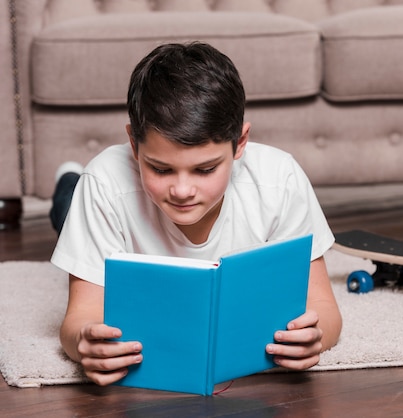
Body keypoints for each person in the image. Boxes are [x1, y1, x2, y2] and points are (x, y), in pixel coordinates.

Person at [50, 42, 342, 386]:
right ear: (133, 145)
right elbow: (78, 319)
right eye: (160, 169)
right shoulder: (103, 182)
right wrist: (84, 342)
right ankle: (66, 182)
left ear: (240, 142)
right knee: (68, 206)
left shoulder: (280, 180)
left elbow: (324, 308)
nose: (182, 190)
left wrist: (315, 335)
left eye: (205, 170)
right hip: (95, 198)